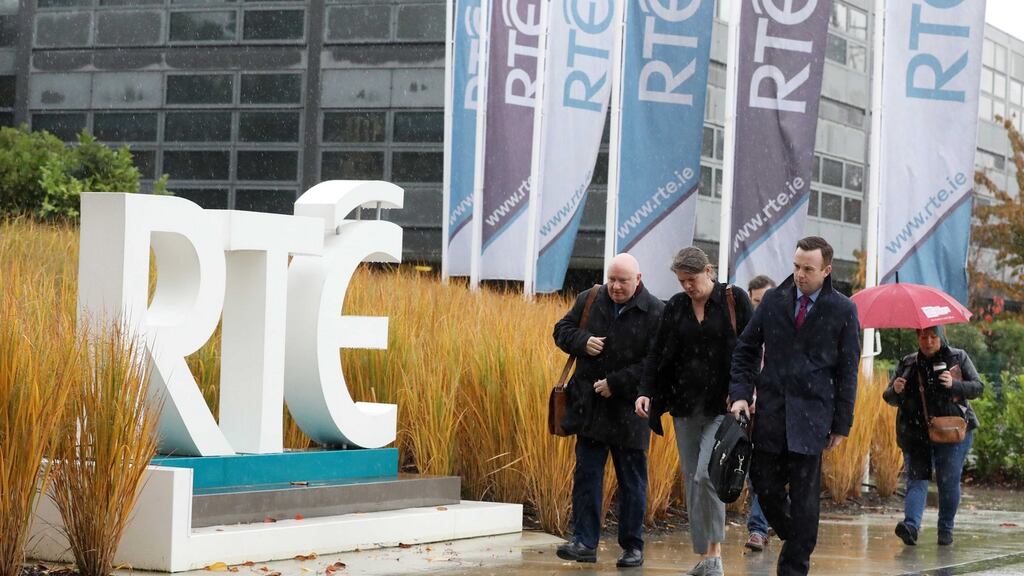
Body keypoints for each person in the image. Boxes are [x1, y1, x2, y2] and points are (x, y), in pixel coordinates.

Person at [729, 236, 861, 576]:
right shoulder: (773, 301)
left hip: (813, 418)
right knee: (764, 487)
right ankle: (799, 536)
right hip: (771, 414)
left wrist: (841, 424)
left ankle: (793, 567)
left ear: (826, 270)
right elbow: (746, 349)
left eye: (808, 269)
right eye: (796, 266)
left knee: (804, 500)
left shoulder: (843, 310)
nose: (800, 274)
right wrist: (740, 394)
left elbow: (848, 371)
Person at [635, 247, 753, 576]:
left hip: (723, 407)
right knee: (692, 480)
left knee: (707, 475)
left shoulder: (734, 300)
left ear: (709, 271)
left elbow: (752, 349)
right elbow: (656, 352)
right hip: (684, 405)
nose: (688, 286)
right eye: (682, 281)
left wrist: (745, 393)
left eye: (692, 279)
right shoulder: (675, 307)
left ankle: (715, 556)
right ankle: (705, 556)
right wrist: (645, 391)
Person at [552, 253, 665, 568]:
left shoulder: (656, 311)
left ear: (638, 280)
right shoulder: (590, 299)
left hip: (630, 411)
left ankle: (632, 547)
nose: (615, 286)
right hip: (590, 408)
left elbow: (657, 362)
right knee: (586, 476)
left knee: (632, 482)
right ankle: (584, 542)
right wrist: (582, 340)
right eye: (611, 279)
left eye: (623, 281)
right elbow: (561, 330)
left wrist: (617, 382)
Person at [883, 325, 983, 546]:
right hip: (917, 434)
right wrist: (895, 390)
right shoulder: (908, 363)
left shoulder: (957, 358)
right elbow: (889, 397)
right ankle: (911, 526)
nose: (928, 342)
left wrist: (954, 384)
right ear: (917, 337)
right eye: (923, 337)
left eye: (933, 337)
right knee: (916, 480)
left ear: (941, 336)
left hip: (952, 433)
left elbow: (978, 387)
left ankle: (945, 529)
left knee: (948, 482)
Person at [744, 274, 776, 553]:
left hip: (774, 412)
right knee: (753, 473)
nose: (761, 307)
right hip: (747, 413)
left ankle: (759, 526)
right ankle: (763, 522)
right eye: (756, 302)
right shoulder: (746, 332)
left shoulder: (785, 332)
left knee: (767, 472)